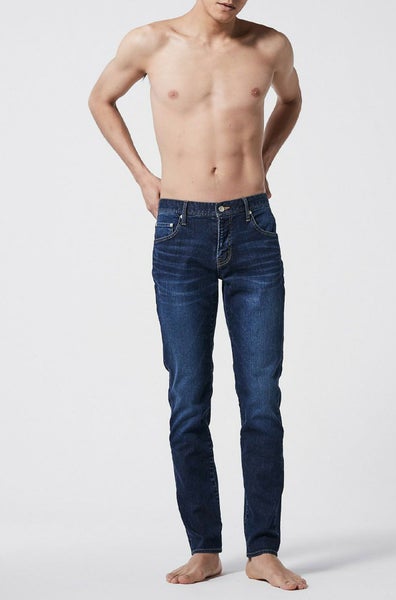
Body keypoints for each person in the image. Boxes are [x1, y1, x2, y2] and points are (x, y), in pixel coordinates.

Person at [88, 0, 306, 591]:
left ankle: (263, 550)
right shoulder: (150, 42)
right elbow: (100, 98)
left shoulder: (270, 45)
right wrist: (143, 176)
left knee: (261, 399)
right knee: (188, 398)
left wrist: (264, 159)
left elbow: (290, 100)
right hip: (180, 228)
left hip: (253, 228)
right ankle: (204, 547)